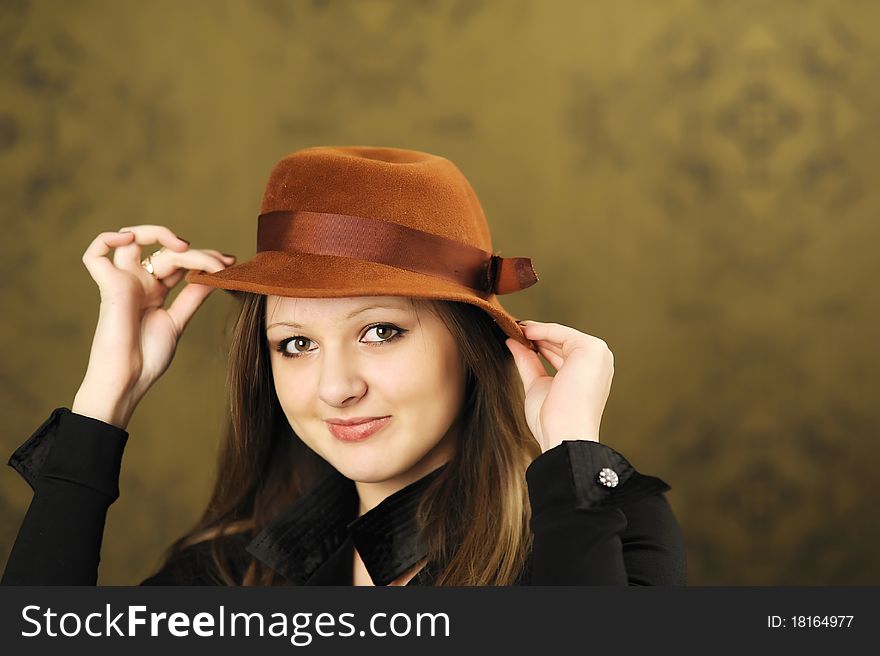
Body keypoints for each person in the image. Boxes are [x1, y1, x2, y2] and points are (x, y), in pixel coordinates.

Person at [2, 146, 686, 586]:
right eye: (295, 344)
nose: (335, 388)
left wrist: (568, 452)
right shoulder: (233, 575)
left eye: (381, 331)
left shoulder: (604, 525)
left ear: (474, 346)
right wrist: (106, 401)